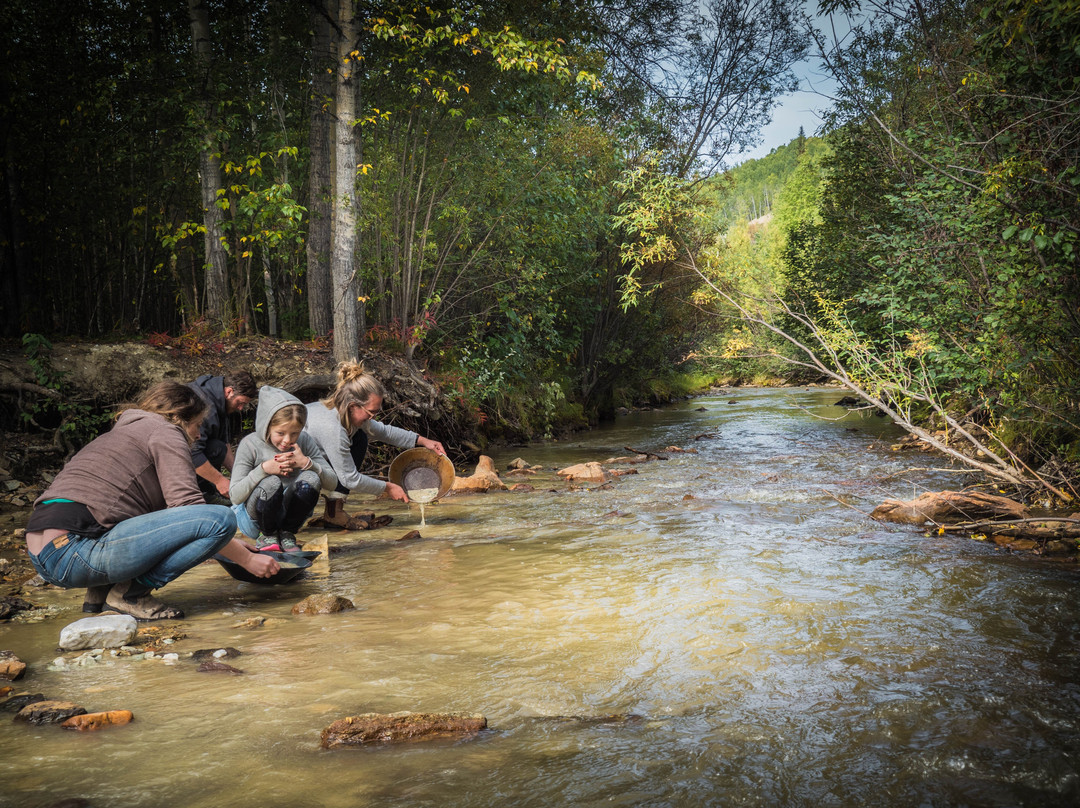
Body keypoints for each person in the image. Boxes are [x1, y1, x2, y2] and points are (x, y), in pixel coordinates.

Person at [24, 381, 279, 620]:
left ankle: (98, 598)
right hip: (73, 552)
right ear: (179, 417)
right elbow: (193, 511)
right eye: (198, 425)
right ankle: (130, 595)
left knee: (153, 518)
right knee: (221, 518)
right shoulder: (166, 431)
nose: (200, 435)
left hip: (44, 551)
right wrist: (246, 560)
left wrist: (232, 545)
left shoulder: (125, 432)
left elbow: (138, 520)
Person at [304, 360, 446, 525]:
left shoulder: (345, 413)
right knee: (358, 441)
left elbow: (384, 431)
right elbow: (350, 479)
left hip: (313, 461)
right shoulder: (333, 429)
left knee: (360, 437)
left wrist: (422, 441)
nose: (374, 417)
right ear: (353, 406)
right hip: (294, 469)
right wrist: (387, 487)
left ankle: (333, 512)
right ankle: (322, 516)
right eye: (371, 412)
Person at [230, 386, 337, 553]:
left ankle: (287, 534)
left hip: (287, 514)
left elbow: (332, 483)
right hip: (254, 520)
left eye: (294, 433)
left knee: (311, 478)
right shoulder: (250, 445)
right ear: (267, 426)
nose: (287, 440)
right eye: (280, 433)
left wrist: (307, 463)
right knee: (271, 482)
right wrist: (263, 469)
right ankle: (267, 535)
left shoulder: (305, 441)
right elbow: (235, 496)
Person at [187, 370, 257, 505]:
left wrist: (240, 477)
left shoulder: (219, 399)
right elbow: (192, 452)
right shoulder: (205, 407)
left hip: (192, 451)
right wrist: (220, 481)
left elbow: (224, 445)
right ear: (229, 391)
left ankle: (208, 491)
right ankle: (203, 495)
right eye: (240, 403)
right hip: (172, 457)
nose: (241, 408)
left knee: (217, 447)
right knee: (212, 448)